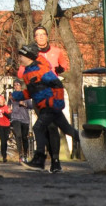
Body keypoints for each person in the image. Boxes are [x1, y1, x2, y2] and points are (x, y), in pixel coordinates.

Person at [16, 42, 79, 174]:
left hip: (50, 105)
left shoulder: (41, 69)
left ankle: (39, 160)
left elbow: (57, 84)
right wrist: (18, 95)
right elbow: (33, 91)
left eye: (21, 56)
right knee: (68, 130)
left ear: (29, 57)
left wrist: (57, 102)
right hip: (44, 105)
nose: (19, 58)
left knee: (38, 127)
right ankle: (89, 142)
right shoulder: (28, 72)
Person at [10, 79, 32, 161]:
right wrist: (9, 109)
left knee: (24, 137)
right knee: (18, 135)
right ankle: (20, 155)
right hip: (15, 118)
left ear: (20, 86)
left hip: (25, 119)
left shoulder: (26, 95)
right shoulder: (12, 96)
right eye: (14, 85)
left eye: (17, 84)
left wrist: (24, 104)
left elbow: (31, 106)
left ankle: (25, 154)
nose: (16, 86)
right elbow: (9, 105)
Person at [0, 93, 13, 162]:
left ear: (4, 100)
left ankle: (4, 155)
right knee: (3, 140)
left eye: (1, 100)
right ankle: (4, 156)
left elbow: (10, 117)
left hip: (6, 126)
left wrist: (5, 113)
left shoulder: (7, 108)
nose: (0, 101)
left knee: (5, 141)